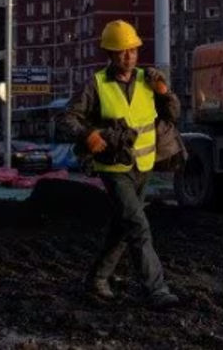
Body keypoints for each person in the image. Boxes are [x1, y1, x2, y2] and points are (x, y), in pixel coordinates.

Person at [59, 19, 181, 309]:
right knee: (138, 225)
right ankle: (157, 289)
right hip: (114, 169)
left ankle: (97, 279)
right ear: (110, 55)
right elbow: (67, 117)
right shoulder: (97, 84)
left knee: (123, 227)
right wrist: (87, 134)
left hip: (143, 166)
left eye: (133, 50)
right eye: (122, 52)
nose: (129, 57)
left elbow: (173, 113)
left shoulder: (148, 80)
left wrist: (163, 91)